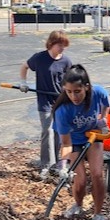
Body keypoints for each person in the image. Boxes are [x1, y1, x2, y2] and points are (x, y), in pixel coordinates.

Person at [52, 65, 110, 220]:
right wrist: (63, 166)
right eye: (69, 92)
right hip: (74, 142)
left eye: (77, 91)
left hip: (93, 137)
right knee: (80, 180)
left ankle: (98, 214)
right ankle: (78, 204)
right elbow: (66, 143)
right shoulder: (62, 111)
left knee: (98, 175)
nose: (73, 96)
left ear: (86, 87)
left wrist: (103, 119)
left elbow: (107, 102)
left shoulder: (98, 92)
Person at [19, 30, 72, 179]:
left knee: (57, 133)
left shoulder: (66, 61)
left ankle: (55, 164)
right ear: (51, 43)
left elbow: (71, 79)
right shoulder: (39, 58)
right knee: (47, 131)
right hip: (44, 101)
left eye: (64, 46)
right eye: (60, 45)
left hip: (61, 101)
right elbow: (24, 67)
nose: (62, 48)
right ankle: (45, 165)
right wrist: (23, 82)